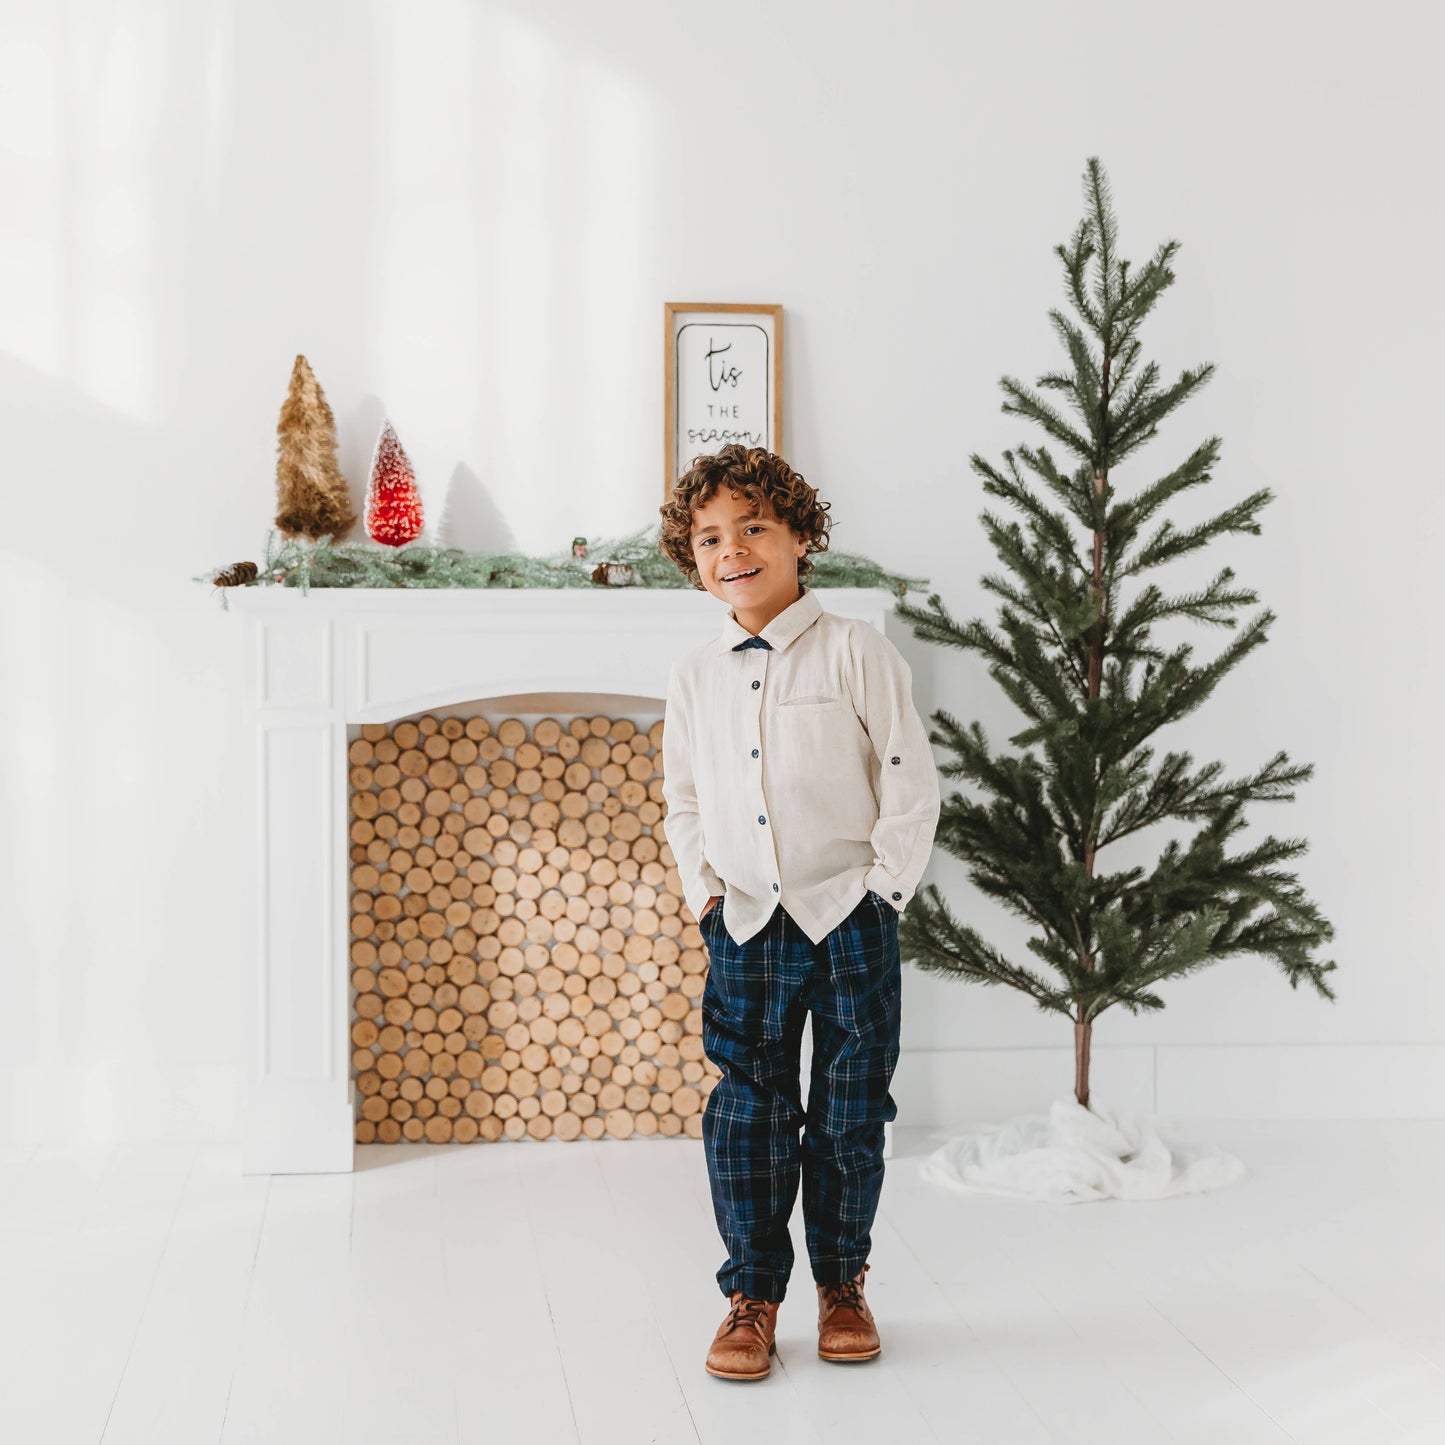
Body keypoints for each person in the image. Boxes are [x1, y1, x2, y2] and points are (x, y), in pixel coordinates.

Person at [656, 444, 941, 1381]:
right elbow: (686, 796)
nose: (731, 549)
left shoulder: (857, 650)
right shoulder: (696, 673)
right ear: (691, 557)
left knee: (850, 1111)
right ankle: (751, 1295)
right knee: (748, 1114)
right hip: (743, 924)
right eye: (709, 538)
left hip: (847, 915)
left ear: (797, 536)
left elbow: (907, 777)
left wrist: (883, 894)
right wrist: (704, 893)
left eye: (753, 528)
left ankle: (842, 1283)